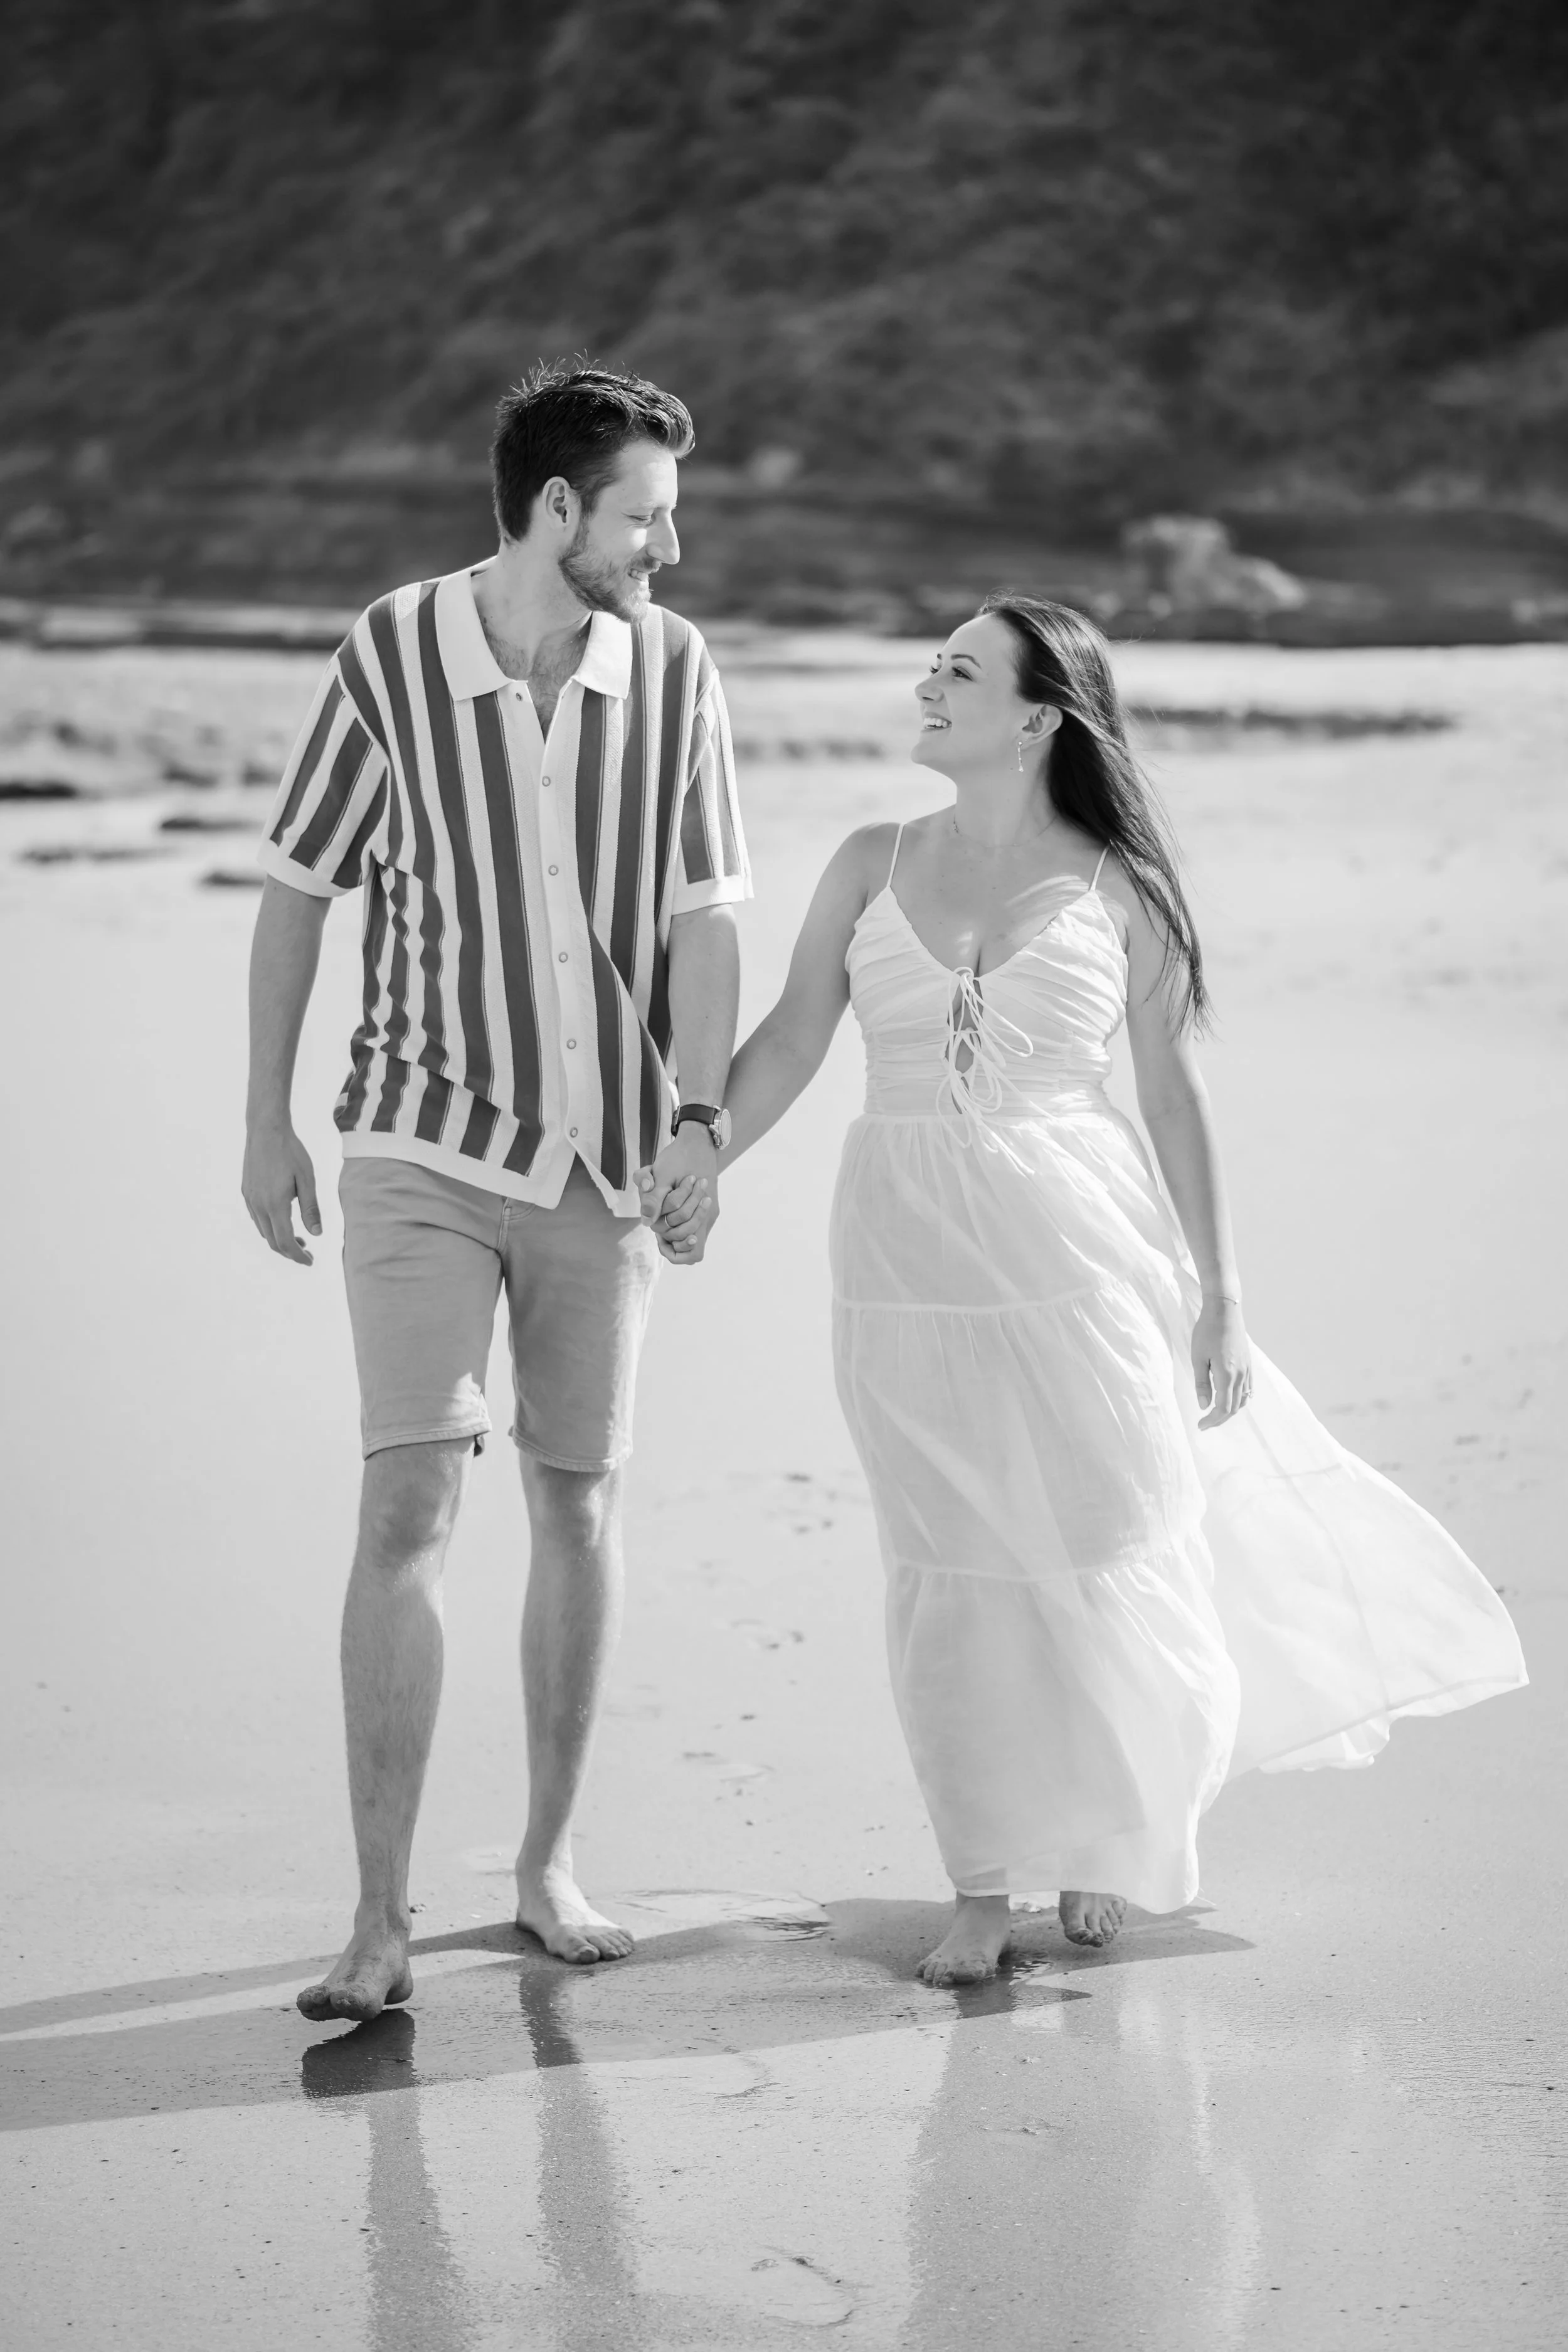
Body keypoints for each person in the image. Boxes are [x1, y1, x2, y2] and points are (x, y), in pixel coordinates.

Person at [645, 593, 1527, 1987]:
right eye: (930, 664)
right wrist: (701, 1154)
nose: (924, 684)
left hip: (1084, 1258)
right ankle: (980, 1886)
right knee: (951, 1570)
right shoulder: (868, 860)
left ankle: (1099, 1844)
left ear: (1039, 716)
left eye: (957, 670)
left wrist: (1220, 1297)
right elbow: (791, 1040)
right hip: (901, 1266)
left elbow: (1171, 1100)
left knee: (1106, 1544)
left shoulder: (1120, 888)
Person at [243, 361, 750, 2021]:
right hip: (415, 1142)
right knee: (405, 1505)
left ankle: (545, 1864)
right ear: (558, 511)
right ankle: (380, 1917)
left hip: (604, 1167)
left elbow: (703, 916)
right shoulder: (392, 649)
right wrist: (267, 1118)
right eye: (648, 517)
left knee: (576, 1500)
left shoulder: (677, 674)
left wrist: (696, 1119)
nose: (669, 549)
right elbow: (301, 887)